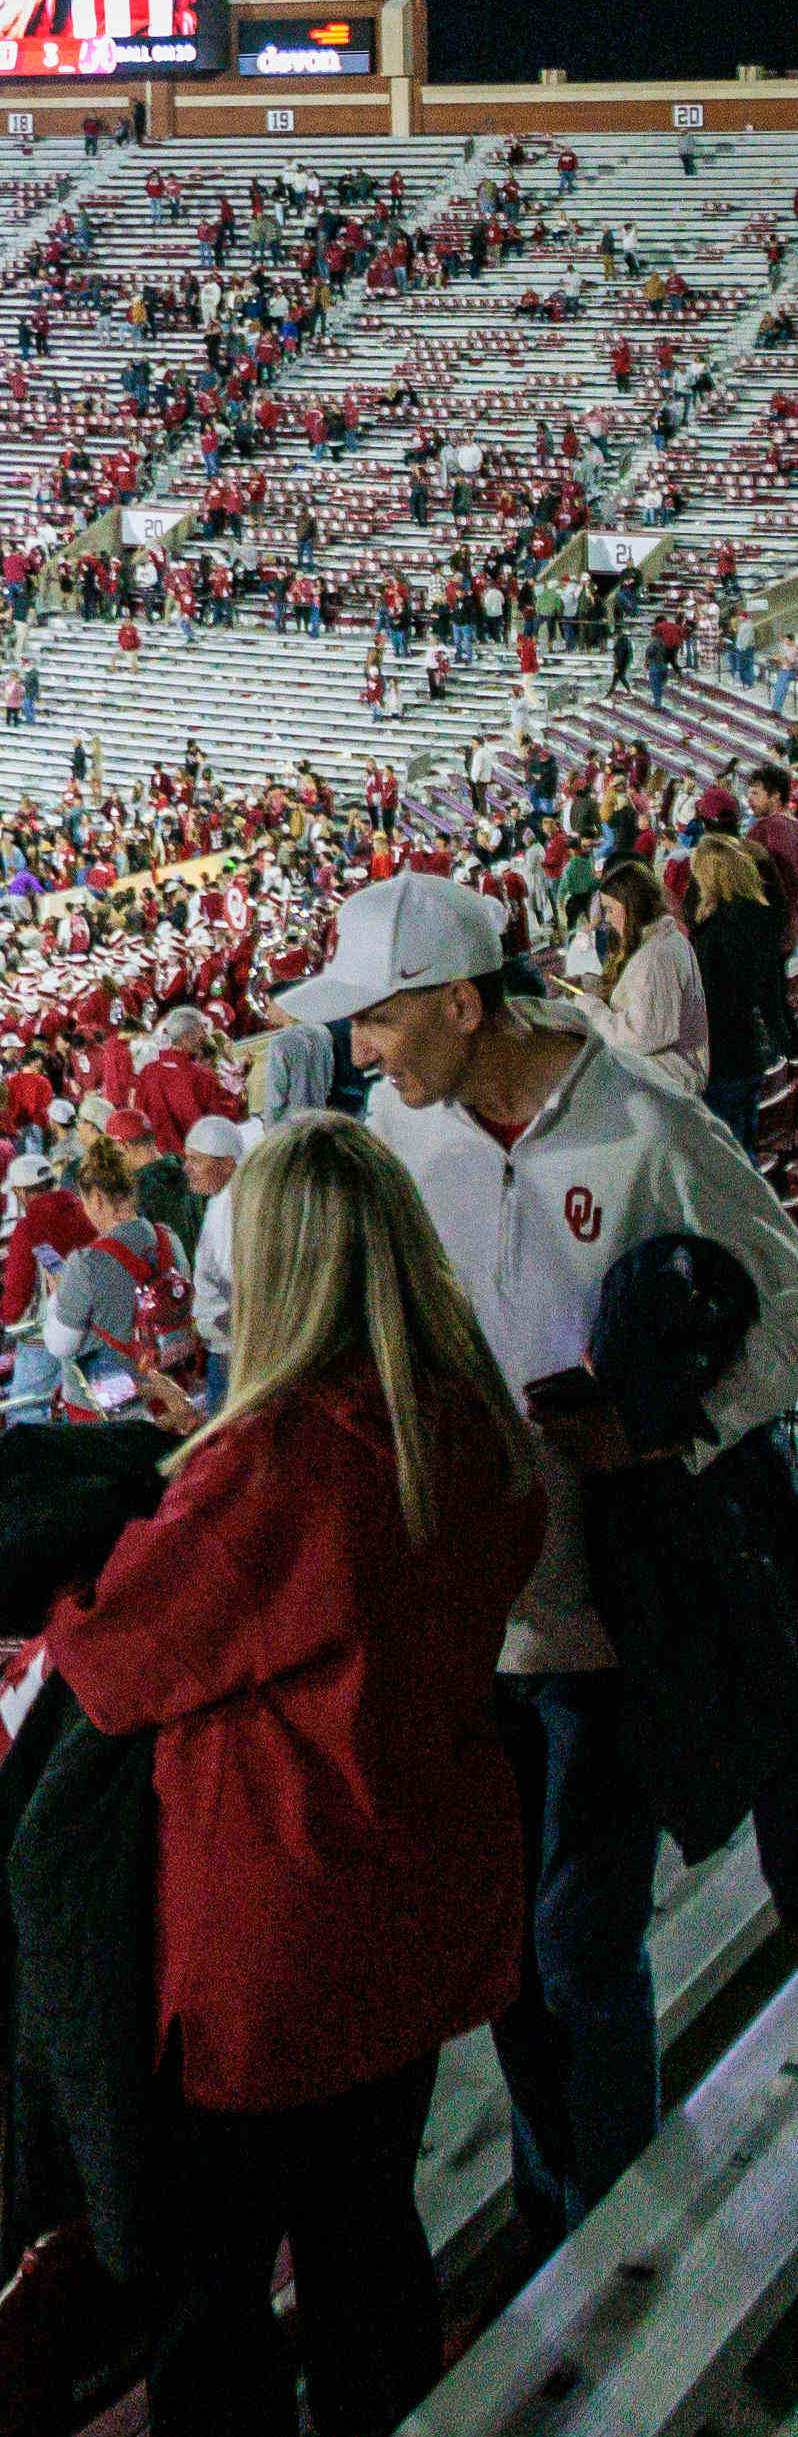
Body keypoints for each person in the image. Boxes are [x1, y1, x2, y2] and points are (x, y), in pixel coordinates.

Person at [270, 866, 798, 2231]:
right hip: (469, 1617)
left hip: (606, 1617)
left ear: (461, 999)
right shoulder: (399, 1131)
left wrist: (653, 1428)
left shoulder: (648, 1127)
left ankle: (605, 2241)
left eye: (379, 1020)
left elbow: (784, 1324)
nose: (362, 1051)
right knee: (508, 1953)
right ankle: (556, 2206)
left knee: (577, 1946)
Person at [30, 1116, 550, 2437]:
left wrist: (175, 1488)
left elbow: (112, 1659)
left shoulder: (278, 1468)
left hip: (278, 1937)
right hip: (419, 1903)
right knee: (366, 2240)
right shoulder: (466, 1420)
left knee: (212, 2305)